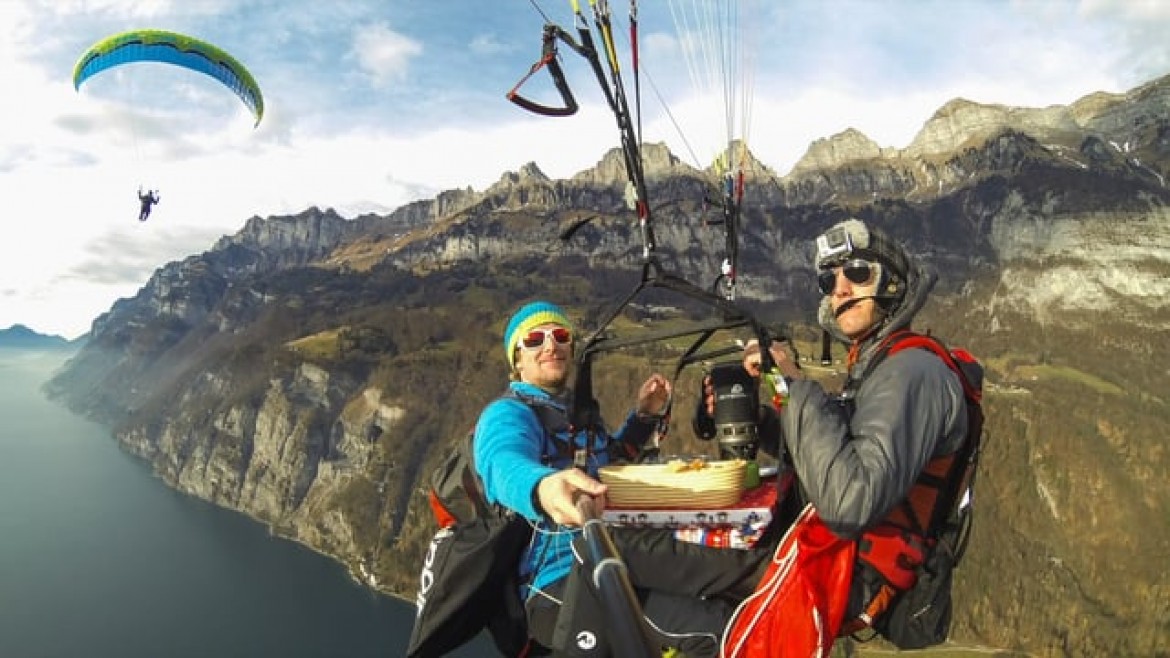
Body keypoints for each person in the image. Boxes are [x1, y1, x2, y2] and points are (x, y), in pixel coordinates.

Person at [473, 300, 734, 657]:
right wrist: (542, 488)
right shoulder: (508, 413)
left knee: (726, 602)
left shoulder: (577, 413)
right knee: (720, 632)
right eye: (534, 339)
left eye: (560, 335)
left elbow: (610, 463)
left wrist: (642, 417)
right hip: (561, 584)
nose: (550, 345)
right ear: (516, 360)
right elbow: (500, 462)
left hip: (617, 555)